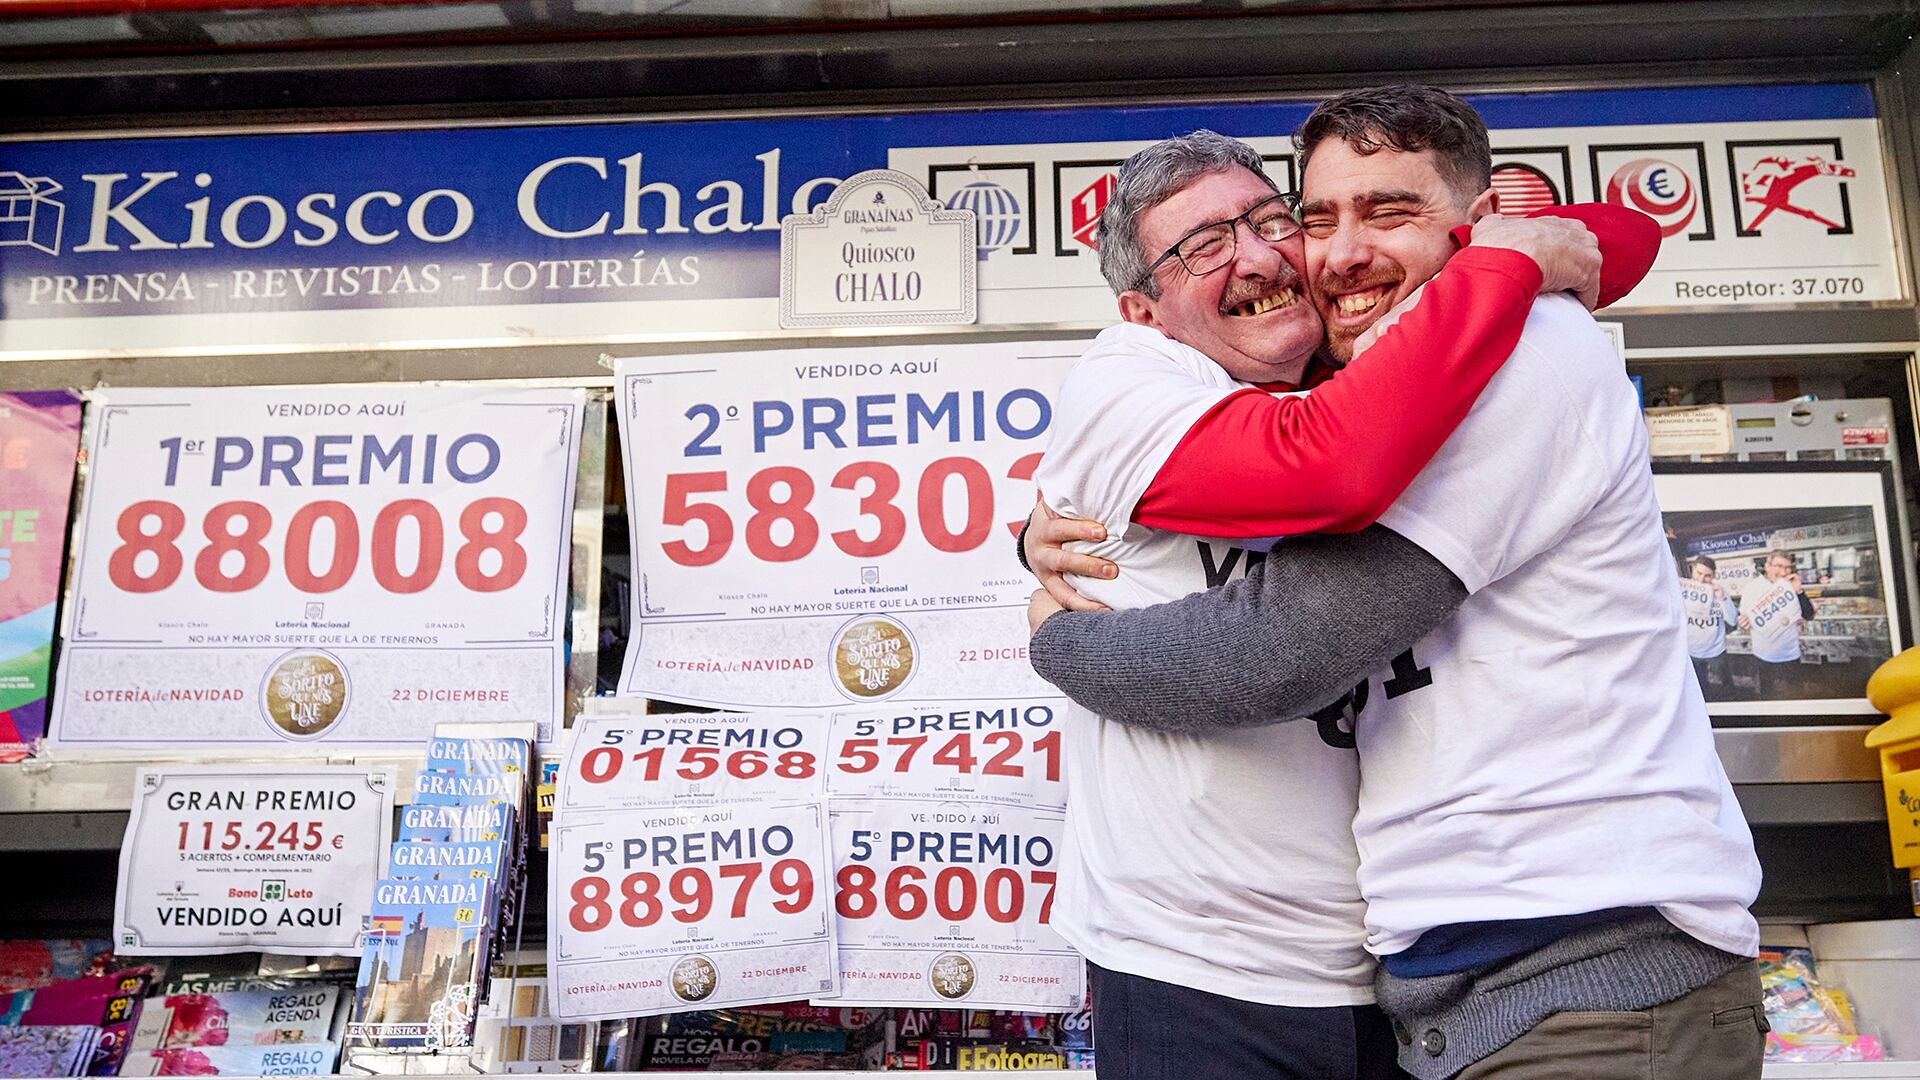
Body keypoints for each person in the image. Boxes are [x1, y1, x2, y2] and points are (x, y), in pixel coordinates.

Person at [1025, 86, 1765, 1080]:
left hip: (1556, 957)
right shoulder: (1138, 379)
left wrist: (1525, 250)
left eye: (1270, 221)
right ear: (1142, 310)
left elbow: (1282, 636)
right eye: (1316, 217)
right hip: (1210, 963)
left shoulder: (1503, 354)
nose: (1301, 255)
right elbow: (1314, 467)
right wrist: (1035, 563)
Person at [1738, 549, 1816, 697]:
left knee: (1796, 697)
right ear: (1768, 566)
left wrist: (1799, 591)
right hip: (1763, 656)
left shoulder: (1790, 585)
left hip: (1790, 654)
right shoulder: (1751, 588)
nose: (1783, 571)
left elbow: (1809, 615)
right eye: (1778, 566)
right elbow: (1744, 620)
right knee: (1768, 698)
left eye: (1787, 567)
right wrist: (1743, 623)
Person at [1682, 555, 1740, 696]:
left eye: (1707, 576)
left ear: (1714, 576)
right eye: (1699, 573)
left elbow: (1733, 621)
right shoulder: (1683, 591)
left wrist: (1722, 598)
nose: (1702, 579)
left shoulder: (1720, 592)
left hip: (1716, 652)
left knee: (1727, 691)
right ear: (1692, 570)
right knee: (1700, 692)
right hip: (1692, 652)